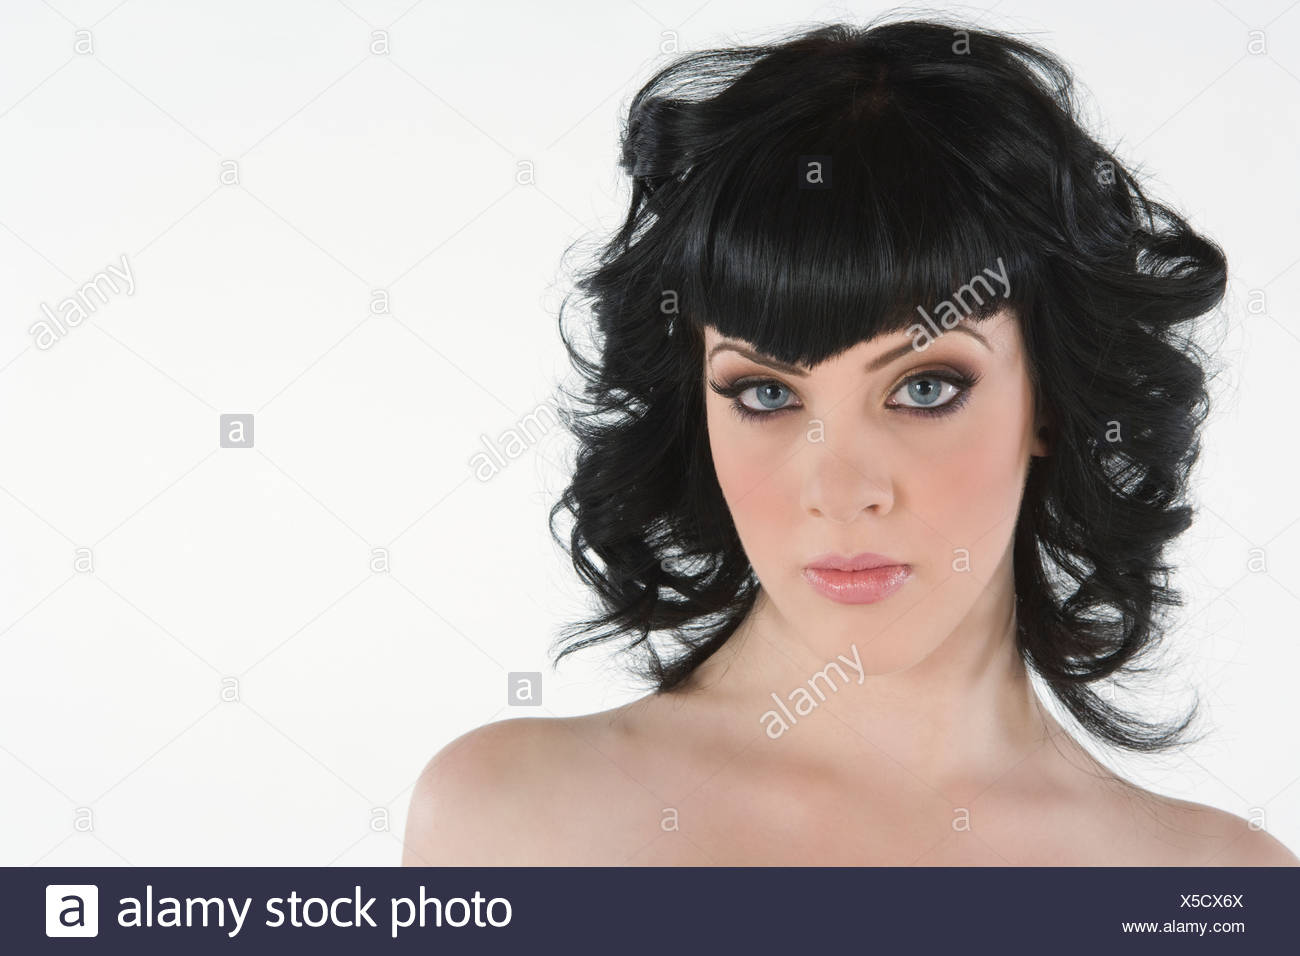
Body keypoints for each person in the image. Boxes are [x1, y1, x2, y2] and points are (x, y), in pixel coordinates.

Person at [403, 16, 1299, 866]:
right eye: (764, 392)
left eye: (923, 388)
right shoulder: (509, 825)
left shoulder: (1212, 891)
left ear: (1050, 401)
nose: (840, 490)